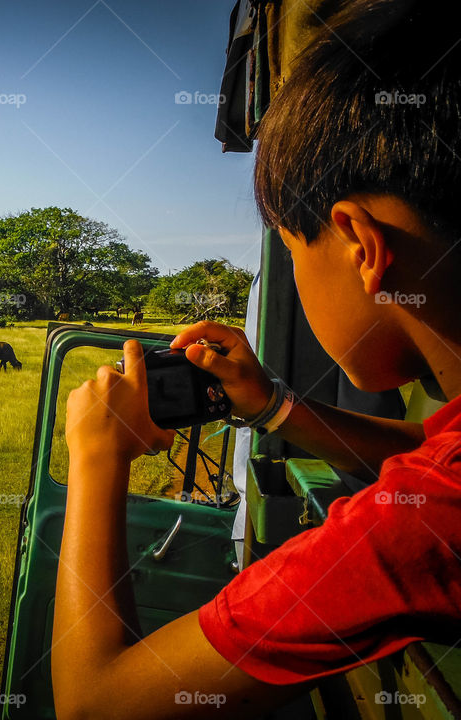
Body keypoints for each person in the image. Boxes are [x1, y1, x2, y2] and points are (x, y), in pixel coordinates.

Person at [52, 1, 461, 718]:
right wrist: (273, 405)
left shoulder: (420, 528)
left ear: (360, 246)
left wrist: (95, 458)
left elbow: (96, 702)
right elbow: (425, 451)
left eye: (293, 250)